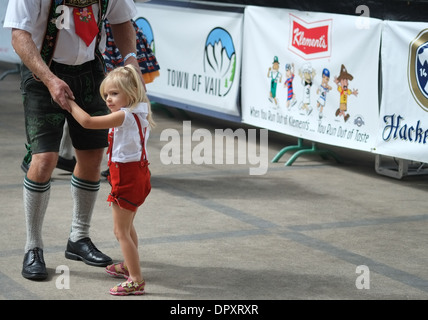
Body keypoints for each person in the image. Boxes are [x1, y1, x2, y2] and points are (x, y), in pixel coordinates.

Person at [4, 0, 144, 281]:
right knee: (44, 160)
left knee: (92, 157)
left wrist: (130, 58)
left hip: (91, 72)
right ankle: (33, 247)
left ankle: (78, 238)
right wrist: (50, 79)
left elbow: (121, 20)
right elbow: (19, 35)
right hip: (41, 72)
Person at [68, 65, 154, 296]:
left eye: (114, 93)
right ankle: (129, 264)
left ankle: (135, 279)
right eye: (106, 94)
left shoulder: (124, 115)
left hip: (127, 176)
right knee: (128, 226)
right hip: (137, 174)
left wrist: (69, 104)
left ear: (131, 92)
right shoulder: (140, 110)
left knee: (120, 232)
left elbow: (86, 122)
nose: (108, 99)